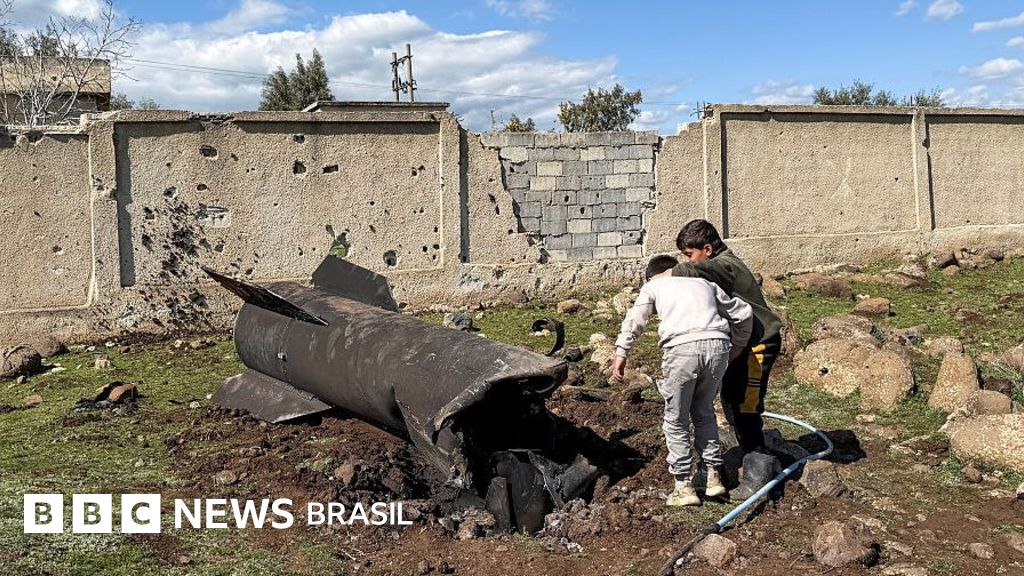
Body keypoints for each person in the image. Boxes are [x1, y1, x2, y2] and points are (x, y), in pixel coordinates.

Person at [611, 255, 753, 506]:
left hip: (682, 350)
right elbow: (742, 312)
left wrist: (621, 352)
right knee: (704, 410)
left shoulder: (654, 285)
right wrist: (738, 345)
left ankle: (683, 486)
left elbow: (636, 319)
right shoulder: (704, 283)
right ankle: (712, 477)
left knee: (676, 418)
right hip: (717, 347)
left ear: (653, 275)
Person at [672, 219, 784, 500]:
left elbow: (692, 271)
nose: (686, 260)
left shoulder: (726, 265)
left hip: (758, 346)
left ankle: (759, 470)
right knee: (731, 401)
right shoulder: (719, 265)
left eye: (689, 253)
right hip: (739, 345)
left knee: (747, 408)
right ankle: (747, 452)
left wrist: (665, 275)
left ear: (707, 249)